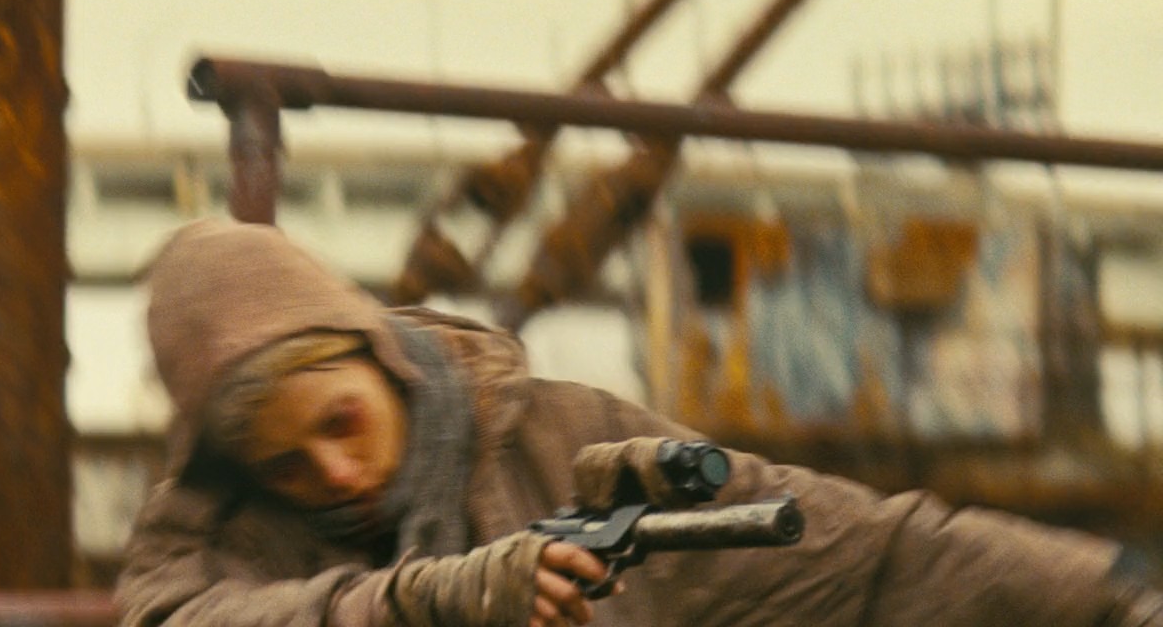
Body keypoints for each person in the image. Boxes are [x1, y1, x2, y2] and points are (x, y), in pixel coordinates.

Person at [117, 219, 1161, 627]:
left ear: (380, 358)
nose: (336, 472)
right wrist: (445, 600)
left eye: (340, 422)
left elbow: (868, 552)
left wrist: (1110, 597)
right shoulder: (203, 540)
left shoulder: (566, 433)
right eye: (288, 466)